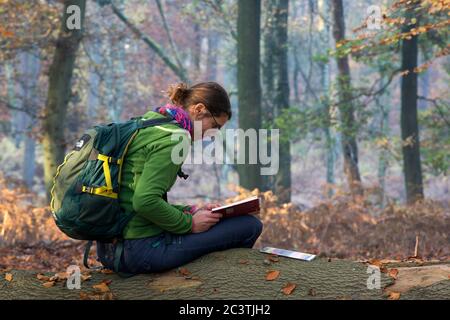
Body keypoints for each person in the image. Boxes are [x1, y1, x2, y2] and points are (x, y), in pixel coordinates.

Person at [96, 82, 263, 274]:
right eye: (214, 126)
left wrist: (190, 211)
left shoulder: (151, 123)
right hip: (140, 250)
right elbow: (143, 202)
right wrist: (189, 224)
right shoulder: (176, 138)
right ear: (199, 109)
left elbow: (133, 196)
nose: (212, 134)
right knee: (249, 226)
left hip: (111, 249)